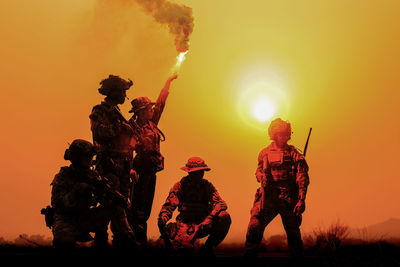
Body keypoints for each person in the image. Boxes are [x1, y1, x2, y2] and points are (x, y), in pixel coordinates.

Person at [245, 118, 310, 257]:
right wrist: (261, 176)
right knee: (254, 226)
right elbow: (258, 170)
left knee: (293, 233)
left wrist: (301, 199)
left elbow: (302, 178)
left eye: (285, 134)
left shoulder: (294, 154)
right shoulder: (265, 153)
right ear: (274, 134)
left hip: (288, 197)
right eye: (280, 134)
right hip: (268, 196)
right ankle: (249, 255)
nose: (283, 137)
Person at [127, 74, 178, 246]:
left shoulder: (151, 124)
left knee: (146, 207)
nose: (152, 110)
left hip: (152, 170)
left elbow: (161, 104)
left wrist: (167, 83)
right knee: (137, 207)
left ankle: (140, 238)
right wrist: (130, 169)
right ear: (140, 112)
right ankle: (134, 239)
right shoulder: (133, 128)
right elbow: (127, 150)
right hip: (140, 170)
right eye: (148, 108)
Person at [89, 74, 137, 248]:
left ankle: (120, 242)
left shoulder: (117, 112)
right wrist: (120, 127)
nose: (125, 95)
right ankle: (107, 240)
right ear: (114, 92)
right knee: (110, 203)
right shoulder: (100, 111)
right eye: (123, 92)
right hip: (109, 165)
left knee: (122, 203)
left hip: (123, 166)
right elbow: (99, 133)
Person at [157, 157, 231, 256]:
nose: (200, 175)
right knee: (184, 252)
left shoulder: (207, 186)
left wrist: (209, 218)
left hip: (203, 224)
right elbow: (169, 206)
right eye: (197, 172)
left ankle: (207, 248)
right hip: (185, 224)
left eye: (201, 172)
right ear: (190, 173)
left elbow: (221, 204)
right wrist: (163, 218)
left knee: (224, 217)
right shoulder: (180, 186)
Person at [50, 139, 112, 249]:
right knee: (65, 243)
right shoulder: (63, 176)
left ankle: (101, 244)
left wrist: (101, 193)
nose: (90, 160)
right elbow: (58, 205)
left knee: (109, 209)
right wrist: (77, 191)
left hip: (85, 216)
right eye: (87, 157)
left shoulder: (93, 175)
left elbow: (100, 200)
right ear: (78, 158)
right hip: (66, 219)